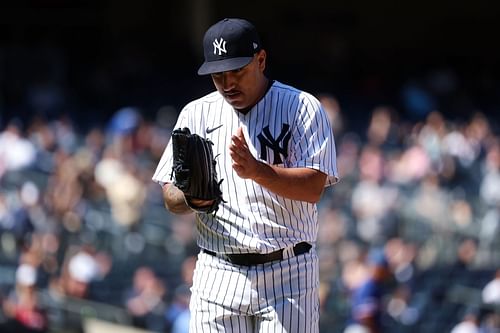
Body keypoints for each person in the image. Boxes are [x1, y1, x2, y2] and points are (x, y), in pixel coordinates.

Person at [153, 17, 338, 332]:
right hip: (218, 270)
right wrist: (190, 196)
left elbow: (313, 188)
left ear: (261, 60)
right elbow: (169, 197)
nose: (227, 84)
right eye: (218, 75)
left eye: (237, 71)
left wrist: (258, 171)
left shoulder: (302, 107)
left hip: (288, 271)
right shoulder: (195, 114)